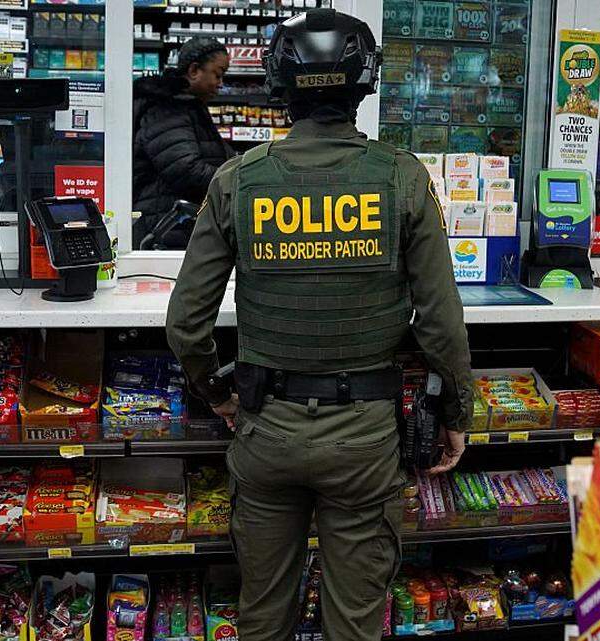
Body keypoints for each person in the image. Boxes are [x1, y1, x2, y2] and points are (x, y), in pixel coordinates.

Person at [167, 9, 473, 641]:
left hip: (266, 429)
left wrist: (216, 393)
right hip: (364, 439)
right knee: (355, 622)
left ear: (279, 84)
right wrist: (456, 414)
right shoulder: (401, 177)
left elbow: (187, 322)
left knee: (262, 615)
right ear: (365, 82)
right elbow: (441, 322)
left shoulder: (237, 181)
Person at [133, 37, 234, 248]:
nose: (220, 83)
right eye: (217, 74)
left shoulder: (188, 108)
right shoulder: (165, 109)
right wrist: (236, 179)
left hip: (179, 225)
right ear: (194, 70)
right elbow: (185, 170)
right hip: (167, 227)